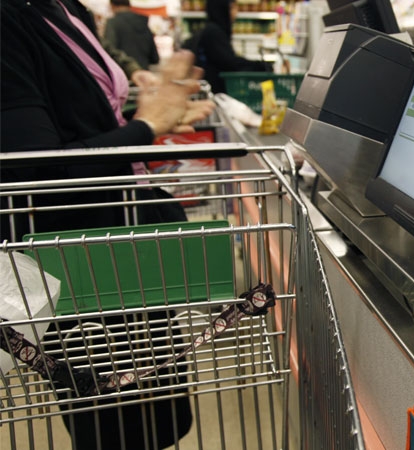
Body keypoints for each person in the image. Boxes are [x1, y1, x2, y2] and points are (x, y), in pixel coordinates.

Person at [1, 0, 215, 449]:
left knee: (161, 417)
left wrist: (147, 106)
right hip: (78, 269)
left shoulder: (61, 7)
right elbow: (27, 173)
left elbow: (77, 114)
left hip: (127, 249)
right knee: (116, 428)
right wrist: (148, 124)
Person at [184, 0, 273, 94]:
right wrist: (258, 66)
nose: (236, 12)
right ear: (223, 9)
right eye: (233, 7)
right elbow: (230, 63)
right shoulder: (213, 32)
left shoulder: (211, 30)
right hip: (213, 92)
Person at [104, 0, 160, 71]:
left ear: (112, 5)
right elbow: (154, 58)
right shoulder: (143, 22)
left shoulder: (113, 23)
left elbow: (109, 51)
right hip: (144, 74)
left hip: (125, 73)